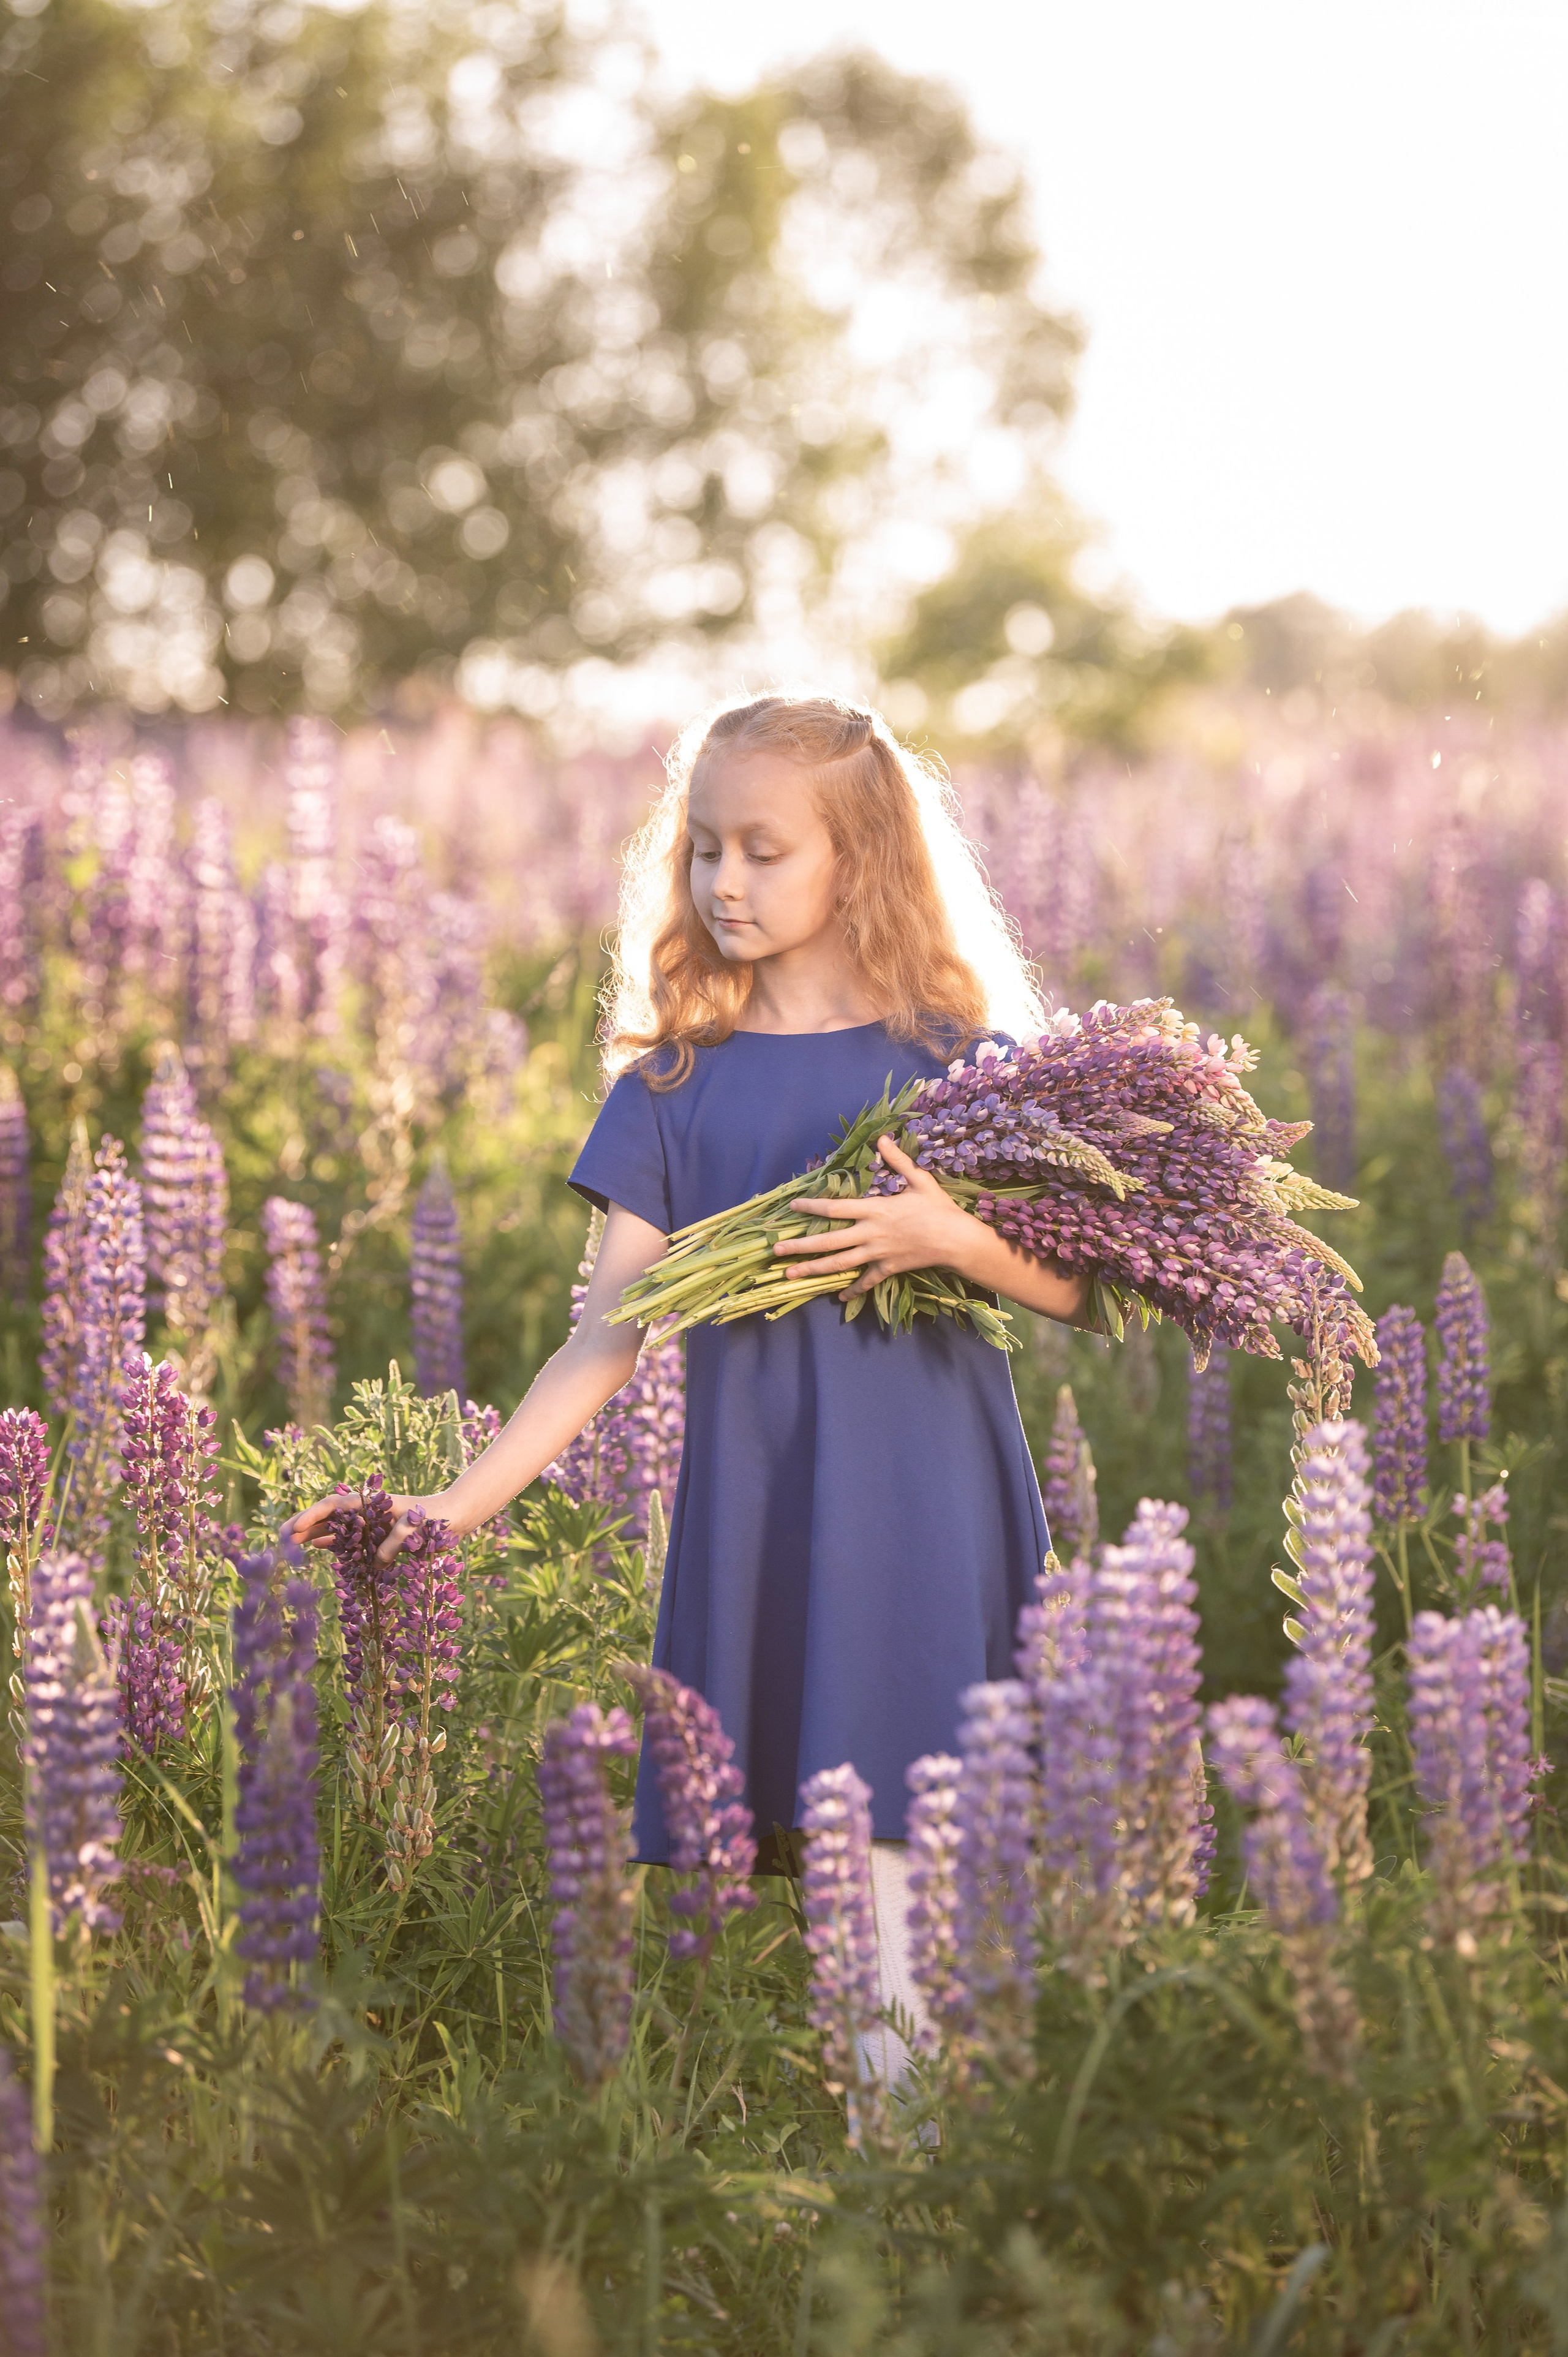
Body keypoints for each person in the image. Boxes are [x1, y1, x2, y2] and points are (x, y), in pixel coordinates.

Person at [290, 693, 1088, 2084]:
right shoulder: (672, 1086)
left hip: (925, 1494)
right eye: (705, 846)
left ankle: (937, 2189)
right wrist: (452, 1507)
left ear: (862, 859)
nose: (725, 879)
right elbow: (603, 1336)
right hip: (775, 1504)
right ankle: (897, 2191)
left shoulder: (956, 1065)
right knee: (850, 1869)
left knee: (925, 1840)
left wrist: (947, 1236)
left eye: (765, 850)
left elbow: (1079, 1281)